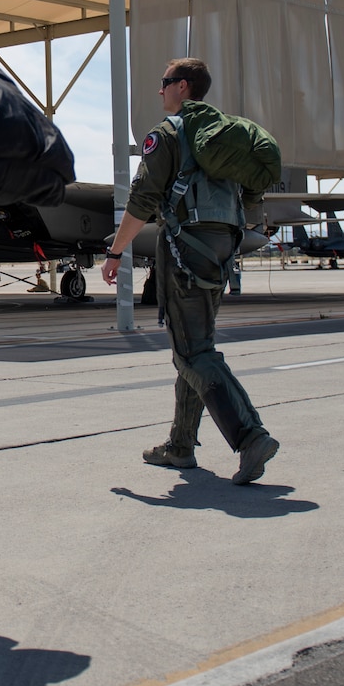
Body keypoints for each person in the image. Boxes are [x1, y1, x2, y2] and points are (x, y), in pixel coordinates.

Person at [102, 57, 281, 484]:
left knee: (193, 353)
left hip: (186, 247)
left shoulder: (169, 135)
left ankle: (250, 436)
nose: (159, 91)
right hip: (222, 247)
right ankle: (180, 445)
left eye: (164, 83)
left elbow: (142, 200)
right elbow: (251, 198)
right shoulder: (225, 137)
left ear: (182, 87)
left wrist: (115, 252)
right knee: (193, 345)